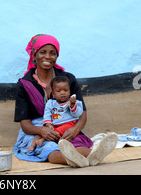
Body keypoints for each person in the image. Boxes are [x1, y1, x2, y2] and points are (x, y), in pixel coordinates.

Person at [13, 34, 118, 167]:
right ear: (34, 55)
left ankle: (90, 155)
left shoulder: (67, 79)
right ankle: (83, 158)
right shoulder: (25, 84)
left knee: (74, 144)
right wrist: (42, 131)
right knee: (50, 151)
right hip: (37, 130)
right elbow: (25, 125)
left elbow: (82, 113)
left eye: (52, 53)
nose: (47, 57)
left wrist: (74, 130)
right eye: (42, 52)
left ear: (57, 57)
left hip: (66, 126)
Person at [26, 75, 84, 151]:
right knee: (42, 131)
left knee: (63, 129)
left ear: (69, 91)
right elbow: (47, 114)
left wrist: (73, 105)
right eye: (59, 91)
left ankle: (46, 140)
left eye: (65, 90)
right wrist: (48, 124)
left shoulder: (74, 102)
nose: (62, 93)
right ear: (53, 93)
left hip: (69, 124)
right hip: (54, 125)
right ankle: (32, 146)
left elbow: (77, 114)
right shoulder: (50, 103)